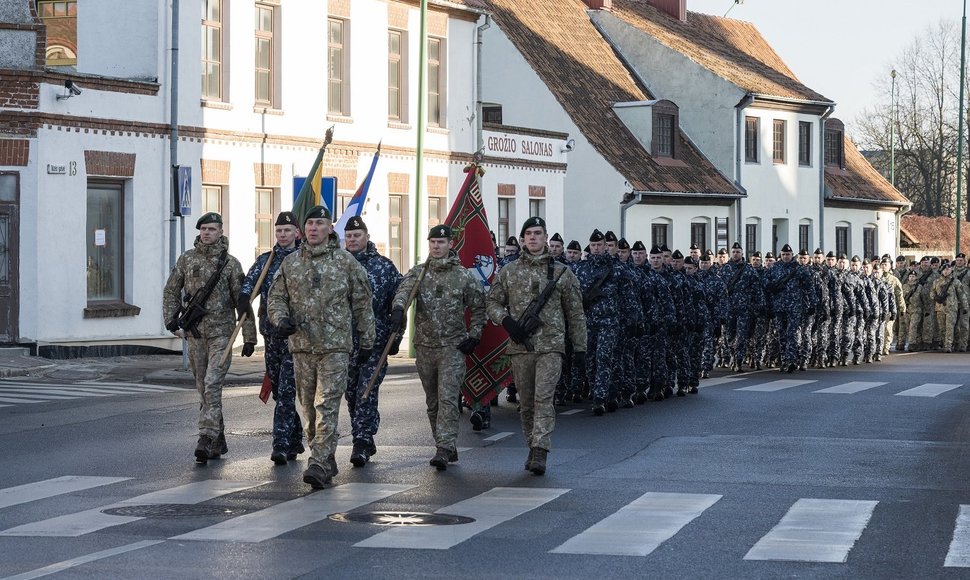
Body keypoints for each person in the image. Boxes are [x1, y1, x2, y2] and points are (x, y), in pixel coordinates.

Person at [267, 205, 375, 489]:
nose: (314, 228)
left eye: (320, 223)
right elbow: (275, 298)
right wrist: (281, 321)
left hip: (335, 347)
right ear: (304, 230)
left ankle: (317, 463)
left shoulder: (346, 262)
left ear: (330, 229)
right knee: (308, 410)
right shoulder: (290, 263)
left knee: (325, 404)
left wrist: (367, 341)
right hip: (301, 347)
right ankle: (325, 457)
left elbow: (363, 304)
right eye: (310, 223)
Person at [486, 217, 586, 475]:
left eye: (538, 233)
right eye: (528, 234)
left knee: (544, 398)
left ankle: (541, 449)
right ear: (522, 239)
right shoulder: (508, 271)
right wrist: (507, 322)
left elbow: (575, 313)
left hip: (551, 346)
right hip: (521, 346)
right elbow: (493, 303)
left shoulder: (563, 273)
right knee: (527, 403)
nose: (532, 238)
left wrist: (580, 348)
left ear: (546, 238)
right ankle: (533, 445)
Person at [163, 212, 257, 464]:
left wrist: (249, 335)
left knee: (212, 383)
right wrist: (170, 319)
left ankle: (205, 437)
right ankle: (218, 439)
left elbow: (242, 302)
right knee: (204, 388)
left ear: (220, 231)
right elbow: (171, 290)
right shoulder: (187, 259)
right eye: (203, 229)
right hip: (195, 336)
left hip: (221, 335)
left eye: (212, 229)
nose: (207, 233)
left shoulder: (230, 264)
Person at [391, 224, 486, 471]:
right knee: (432, 401)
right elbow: (404, 292)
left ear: (450, 245)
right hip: (425, 346)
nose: (436, 246)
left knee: (447, 399)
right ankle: (444, 443)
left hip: (452, 348)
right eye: (432, 242)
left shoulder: (463, 276)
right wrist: (399, 308)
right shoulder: (419, 273)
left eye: (441, 242)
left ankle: (443, 447)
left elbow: (478, 307)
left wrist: (474, 335)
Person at [240, 211, 304, 465]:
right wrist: (244, 300)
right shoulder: (267, 260)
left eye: (287, 230)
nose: (283, 235)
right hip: (271, 334)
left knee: (287, 391)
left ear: (297, 233)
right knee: (279, 391)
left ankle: (280, 444)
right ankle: (296, 438)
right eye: (279, 231)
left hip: (296, 337)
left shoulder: (303, 259)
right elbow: (248, 287)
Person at [342, 216, 402, 467]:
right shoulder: (336, 265)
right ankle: (364, 433)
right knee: (351, 394)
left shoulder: (384, 267)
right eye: (349, 236)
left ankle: (361, 441)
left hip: (375, 341)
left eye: (357, 235)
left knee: (366, 391)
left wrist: (396, 335)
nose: (353, 240)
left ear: (367, 236)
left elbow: (399, 302)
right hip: (343, 342)